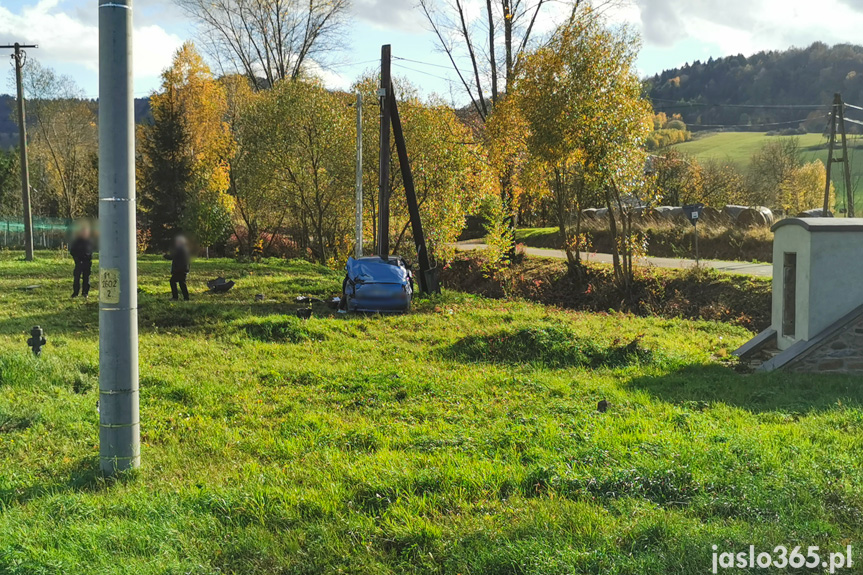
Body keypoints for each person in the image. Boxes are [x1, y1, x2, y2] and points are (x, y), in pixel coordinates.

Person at [69, 225, 94, 298]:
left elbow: (91, 251)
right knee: (77, 278)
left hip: (87, 262)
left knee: (86, 278)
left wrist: (89, 258)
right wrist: (77, 259)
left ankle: (85, 293)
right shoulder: (76, 241)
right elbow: (72, 251)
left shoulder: (90, 241)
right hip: (79, 262)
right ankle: (75, 293)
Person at [165, 235, 191, 301]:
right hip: (184, 268)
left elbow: (172, 256)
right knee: (182, 283)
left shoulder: (179, 249)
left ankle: (175, 297)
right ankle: (186, 297)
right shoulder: (185, 249)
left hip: (179, 269)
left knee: (172, 281)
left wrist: (165, 255)